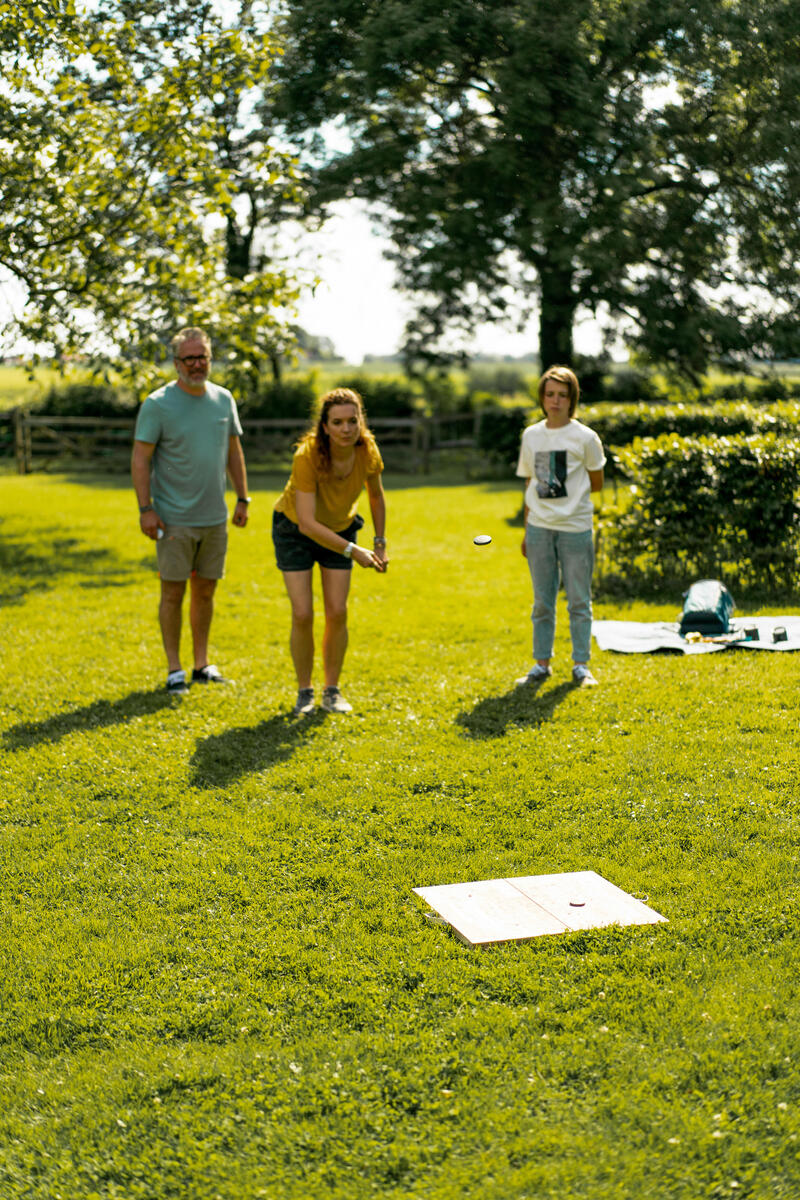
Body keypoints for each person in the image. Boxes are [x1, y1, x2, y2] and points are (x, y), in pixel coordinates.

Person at [131, 327, 250, 695]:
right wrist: (146, 509)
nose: (197, 364)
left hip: (214, 518)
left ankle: (201, 664)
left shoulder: (223, 399)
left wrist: (243, 498)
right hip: (173, 519)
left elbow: (233, 452)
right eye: (190, 358)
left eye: (203, 357)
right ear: (176, 362)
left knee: (205, 593)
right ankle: (174, 670)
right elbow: (140, 458)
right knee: (172, 594)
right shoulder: (157, 404)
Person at [273, 387, 388, 715]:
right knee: (303, 614)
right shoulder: (307, 455)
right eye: (337, 422)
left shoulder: (368, 451)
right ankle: (305, 692)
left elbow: (376, 496)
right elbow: (307, 523)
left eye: (353, 421)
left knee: (337, 611)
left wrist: (380, 542)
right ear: (324, 426)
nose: (346, 429)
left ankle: (332, 691)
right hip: (295, 530)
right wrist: (354, 550)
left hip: (340, 528)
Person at [515, 365, 605, 688]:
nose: (555, 401)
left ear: (572, 400)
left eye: (562, 395)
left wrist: (569, 503)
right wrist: (527, 530)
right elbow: (530, 481)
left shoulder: (586, 438)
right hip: (539, 529)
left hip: (576, 529)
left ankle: (581, 665)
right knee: (542, 600)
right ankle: (541, 664)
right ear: (542, 398)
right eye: (549, 394)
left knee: (579, 599)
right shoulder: (531, 436)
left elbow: (596, 482)